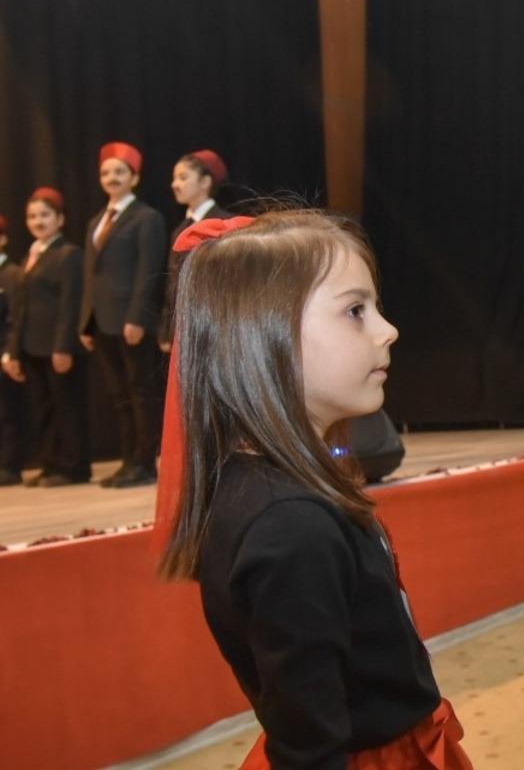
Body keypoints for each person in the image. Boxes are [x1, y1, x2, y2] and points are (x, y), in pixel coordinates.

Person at [158, 210, 471, 769]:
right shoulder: (288, 526)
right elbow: (311, 744)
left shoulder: (278, 490)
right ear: (264, 336)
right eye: (356, 311)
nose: (387, 329)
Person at [78, 141, 166, 487]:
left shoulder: (147, 218)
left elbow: (149, 271)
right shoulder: (95, 222)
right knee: (118, 396)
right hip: (102, 321)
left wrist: (137, 317)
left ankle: (145, 462)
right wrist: (85, 321)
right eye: (105, 172)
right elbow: (90, 275)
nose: (111, 178)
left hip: (131, 321)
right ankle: (128, 459)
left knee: (140, 391)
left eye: (119, 172)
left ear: (135, 177)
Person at [1, 189, 91, 486]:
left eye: (44, 215)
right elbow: (21, 309)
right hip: (32, 347)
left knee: (66, 407)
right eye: (32, 216)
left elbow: (69, 304)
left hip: (57, 346)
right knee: (45, 408)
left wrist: (63, 346)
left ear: (60, 219)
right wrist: (14, 351)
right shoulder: (31, 255)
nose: (38, 221)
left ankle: (74, 466)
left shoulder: (68, 254)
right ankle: (52, 463)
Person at [158, 149, 233, 352]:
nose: (175, 185)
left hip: (215, 326)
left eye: (183, 177)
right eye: (174, 178)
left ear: (205, 182)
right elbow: (172, 282)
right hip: (183, 328)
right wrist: (167, 329)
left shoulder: (224, 224)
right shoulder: (180, 229)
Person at [0, 213, 27, 484]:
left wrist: (10, 351)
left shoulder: (11, 274)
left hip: (4, 354)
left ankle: (10, 465)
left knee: (7, 413)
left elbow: (15, 318)